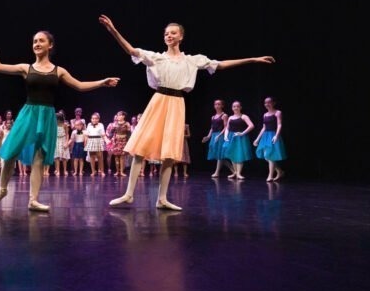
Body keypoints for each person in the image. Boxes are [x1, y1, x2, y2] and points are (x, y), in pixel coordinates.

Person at [99, 14, 275, 210]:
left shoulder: (192, 61)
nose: (169, 36)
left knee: (169, 153)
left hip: (176, 104)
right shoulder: (157, 58)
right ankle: (129, 194)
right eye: (166, 33)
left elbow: (220, 64)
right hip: (158, 102)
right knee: (140, 146)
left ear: (181, 36)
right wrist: (113, 30)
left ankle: (162, 198)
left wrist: (252, 59)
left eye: (173, 33)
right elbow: (131, 50)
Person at [0, 28, 119, 212]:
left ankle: (33, 200)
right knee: (11, 152)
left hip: (46, 116)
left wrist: (102, 82)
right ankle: (2, 190)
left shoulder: (58, 71)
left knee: (39, 158)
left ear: (50, 45)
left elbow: (79, 85)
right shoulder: (25, 68)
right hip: (28, 114)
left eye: (41, 41)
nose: (36, 44)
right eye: (34, 41)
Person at [253, 96, 287, 181]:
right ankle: (279, 171)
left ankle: (270, 175)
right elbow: (264, 128)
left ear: (273, 103)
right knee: (266, 156)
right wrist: (257, 139)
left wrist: (276, 135)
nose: (267, 104)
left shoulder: (278, 112)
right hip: (265, 136)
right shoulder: (265, 114)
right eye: (265, 103)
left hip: (273, 134)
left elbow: (279, 125)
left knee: (269, 155)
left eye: (269, 102)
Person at [222, 101, 255, 180]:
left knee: (239, 155)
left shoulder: (244, 116)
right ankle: (235, 172)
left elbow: (251, 126)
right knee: (232, 154)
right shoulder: (230, 117)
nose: (235, 108)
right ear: (232, 108)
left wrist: (243, 133)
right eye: (234, 106)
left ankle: (239, 173)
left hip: (240, 138)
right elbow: (227, 128)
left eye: (237, 106)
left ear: (240, 107)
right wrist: (226, 136)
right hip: (231, 137)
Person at [202, 99, 233, 178]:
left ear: (222, 105)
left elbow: (226, 127)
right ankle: (234, 171)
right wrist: (208, 136)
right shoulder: (213, 117)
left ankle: (217, 172)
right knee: (220, 156)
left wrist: (219, 135)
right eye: (216, 104)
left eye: (219, 104)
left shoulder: (224, 115)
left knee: (220, 155)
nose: (217, 106)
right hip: (214, 136)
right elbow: (212, 128)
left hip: (221, 136)